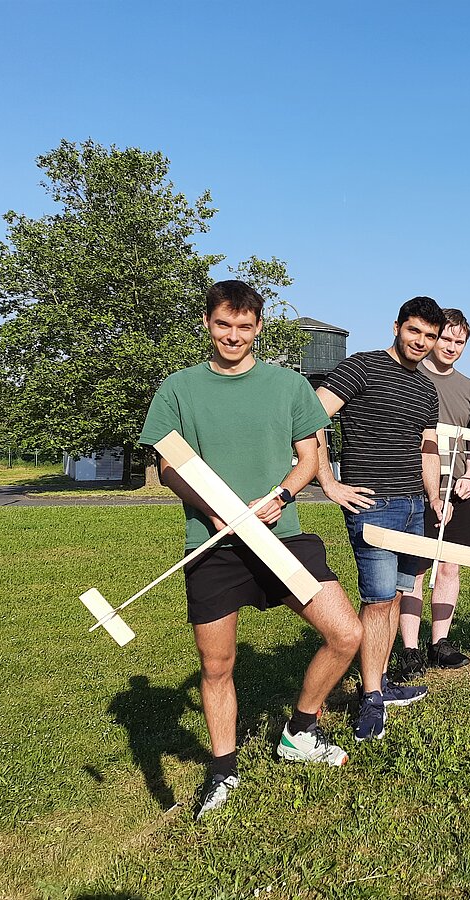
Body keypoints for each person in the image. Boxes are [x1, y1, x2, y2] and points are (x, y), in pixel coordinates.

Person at [139, 280, 362, 820]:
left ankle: (299, 731)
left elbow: (309, 458)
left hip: (280, 536)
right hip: (212, 544)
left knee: (346, 633)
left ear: (259, 327)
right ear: (208, 324)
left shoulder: (288, 385)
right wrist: (213, 511)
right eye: (222, 325)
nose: (233, 336)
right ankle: (222, 772)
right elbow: (168, 466)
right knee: (217, 666)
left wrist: (282, 494)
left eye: (244, 326)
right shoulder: (178, 388)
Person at [315, 297, 447, 742]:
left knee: (396, 598)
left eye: (430, 336)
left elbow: (427, 447)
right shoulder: (363, 367)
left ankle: (382, 679)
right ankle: (370, 698)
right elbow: (312, 416)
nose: (422, 343)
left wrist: (434, 494)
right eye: (415, 332)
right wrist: (327, 481)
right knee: (376, 600)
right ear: (396, 326)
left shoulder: (427, 389)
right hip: (373, 504)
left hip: (413, 505)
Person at [389, 308, 470, 682]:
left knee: (450, 566)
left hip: (458, 490)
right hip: (416, 486)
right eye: (446, 338)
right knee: (414, 568)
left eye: (460, 342)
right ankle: (410, 648)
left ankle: (439, 643)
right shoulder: (411, 376)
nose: (452, 347)